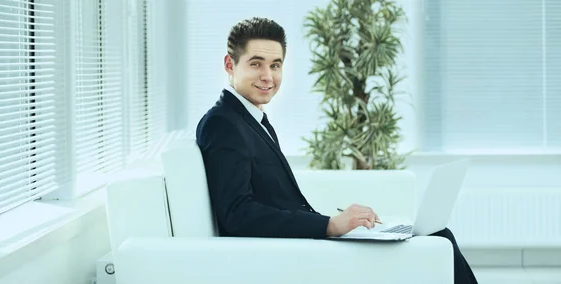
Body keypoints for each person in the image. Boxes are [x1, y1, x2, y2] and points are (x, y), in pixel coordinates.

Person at [195, 17, 478, 284]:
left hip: (303, 243)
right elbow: (237, 213)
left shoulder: (249, 118)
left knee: (437, 235)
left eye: (276, 65)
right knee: (440, 240)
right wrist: (330, 226)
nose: (268, 76)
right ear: (229, 65)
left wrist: (338, 225)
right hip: (291, 255)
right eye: (256, 64)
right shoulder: (223, 123)